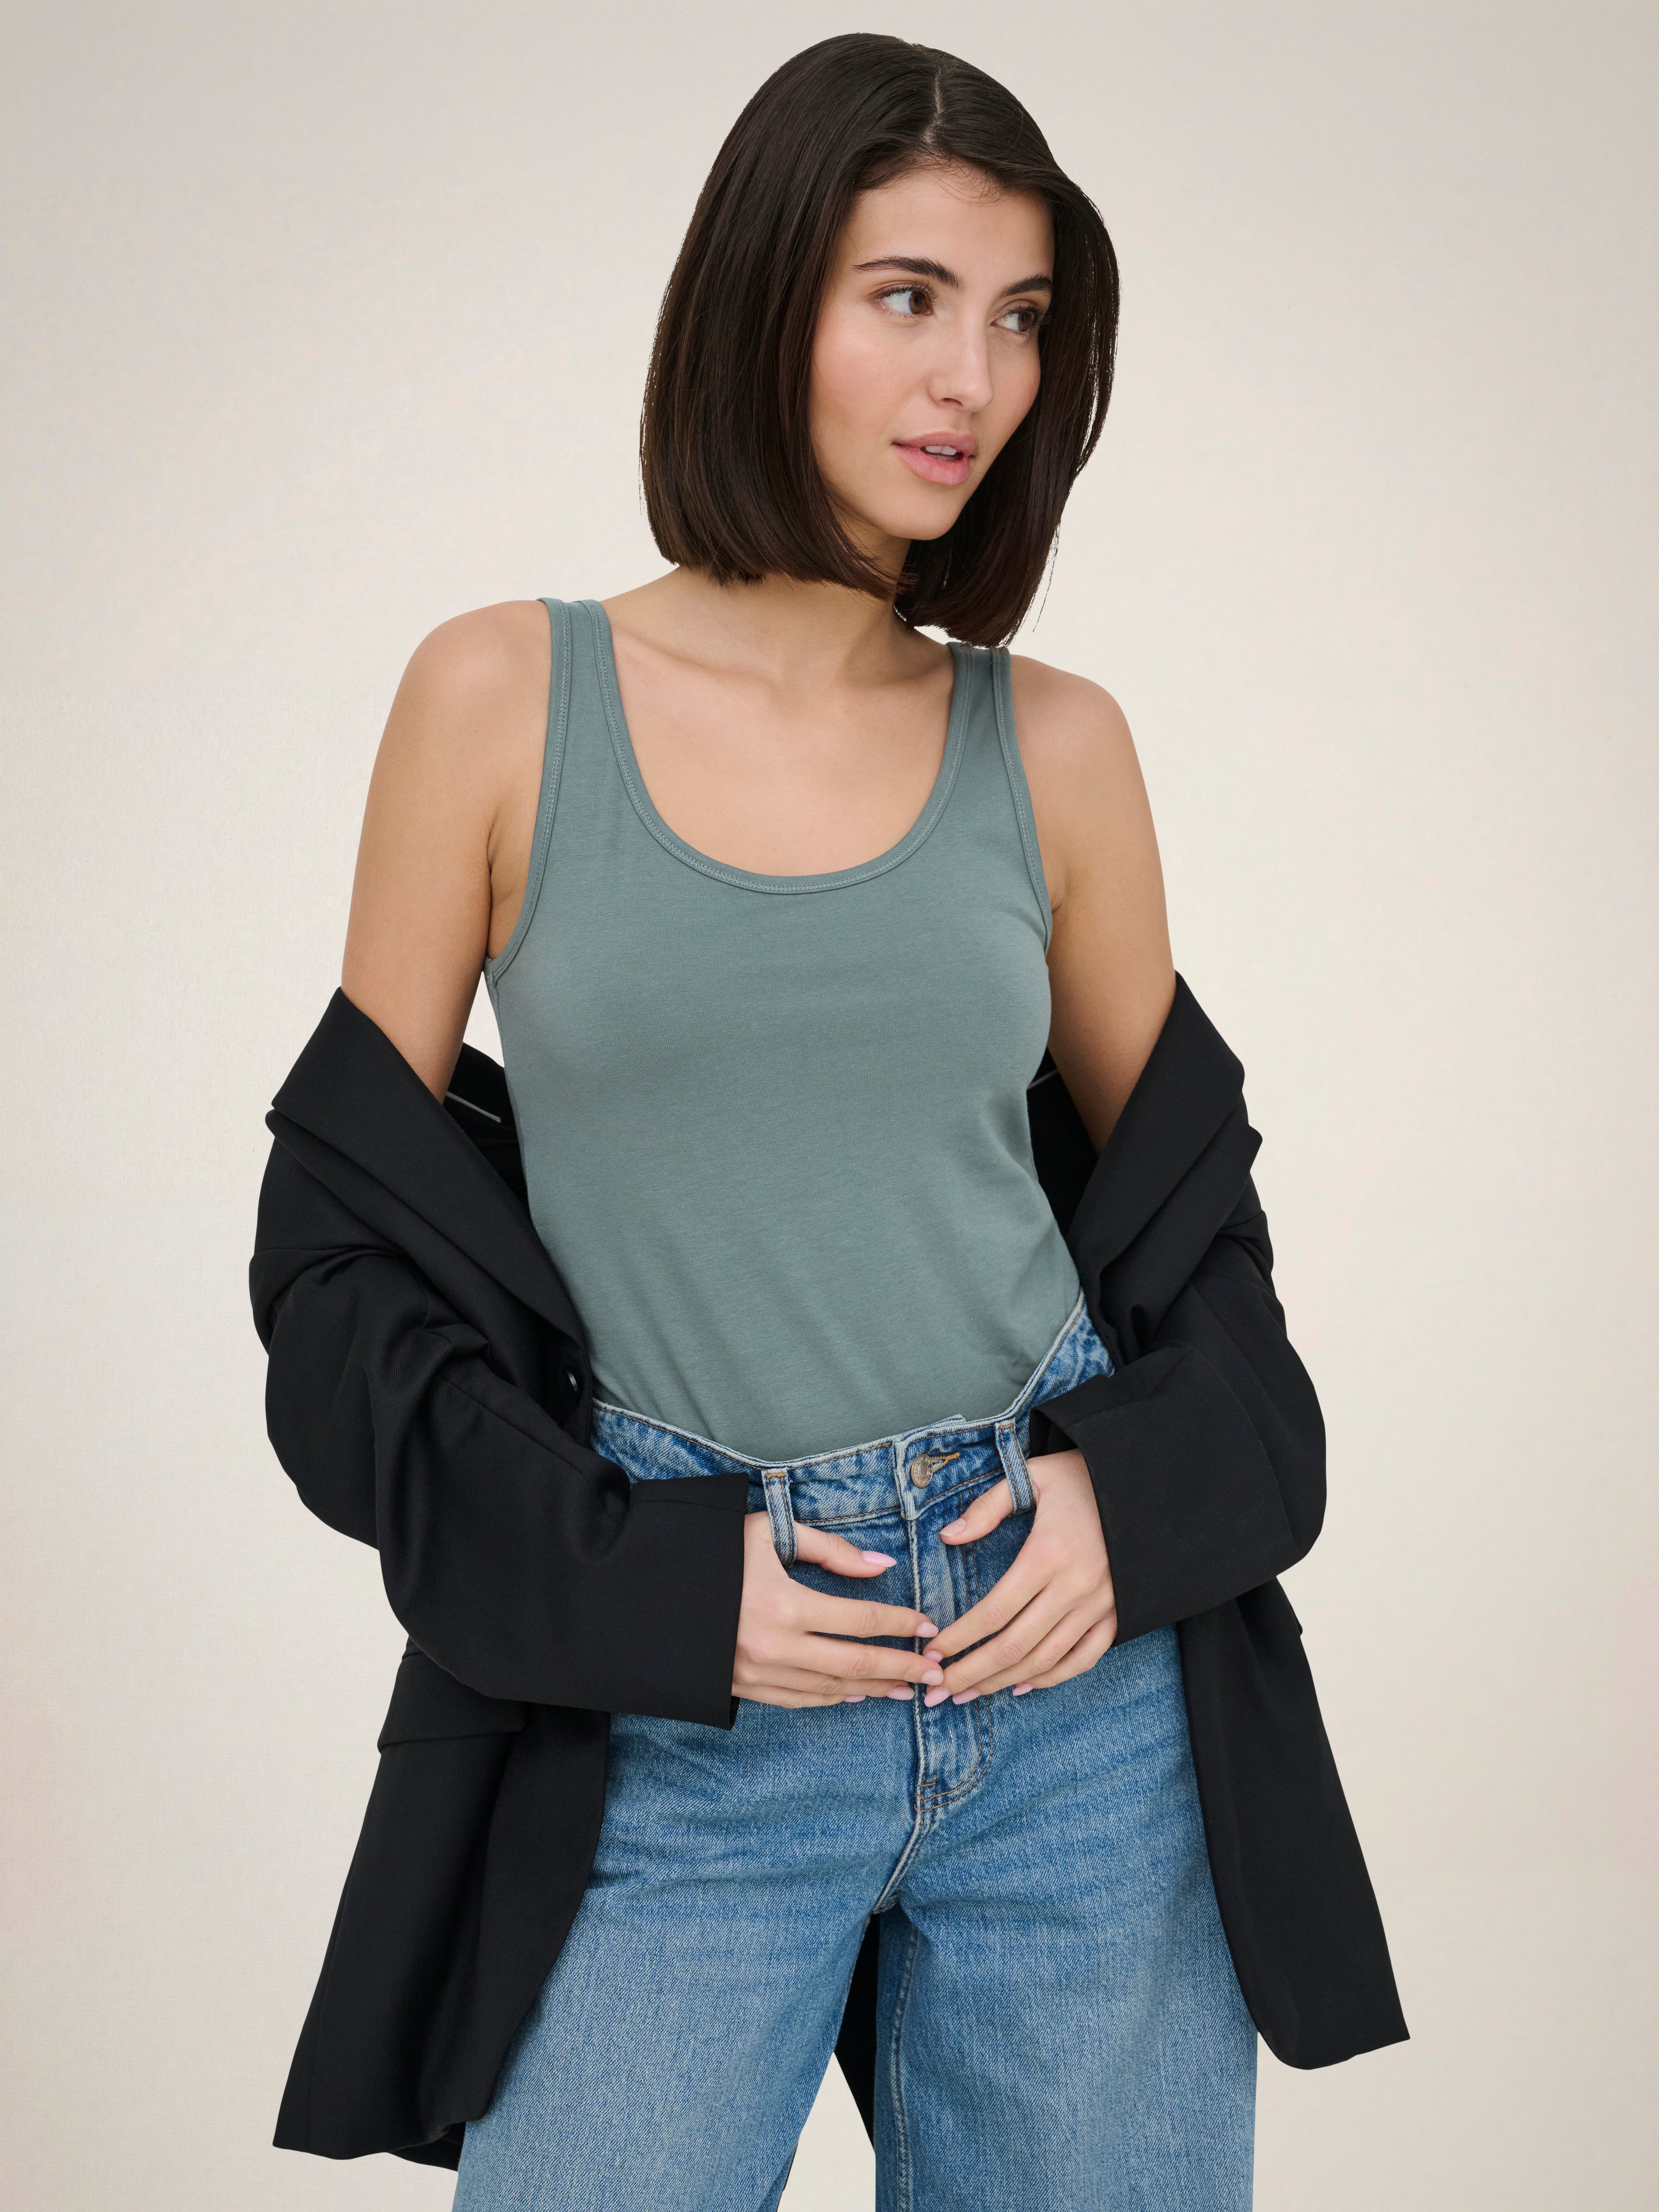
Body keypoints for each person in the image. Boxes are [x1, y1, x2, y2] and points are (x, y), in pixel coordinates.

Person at [262, 31, 1404, 2210]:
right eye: (908, 296)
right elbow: (334, 1266)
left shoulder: (1056, 746)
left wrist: (1126, 1502)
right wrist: (637, 1585)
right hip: (679, 1699)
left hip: (1076, 1701)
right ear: (760, 296)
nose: (973, 377)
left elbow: (1198, 1241)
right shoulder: (499, 698)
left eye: (1021, 316)